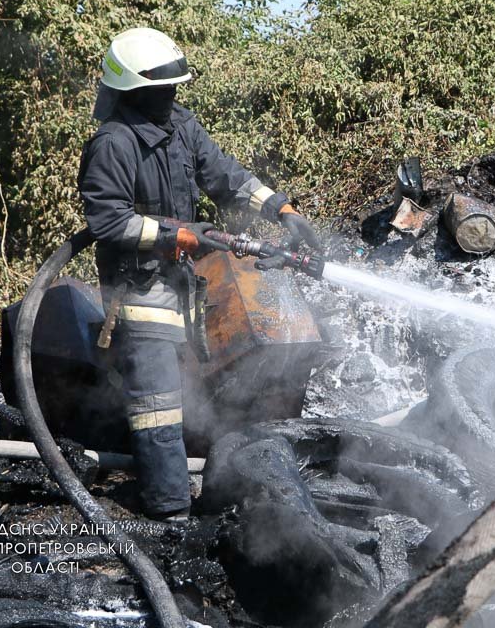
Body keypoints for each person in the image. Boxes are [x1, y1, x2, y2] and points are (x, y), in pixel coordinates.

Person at [78, 27, 321, 521]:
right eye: (161, 90)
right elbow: (107, 219)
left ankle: (210, 490)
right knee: (159, 408)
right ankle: (170, 518)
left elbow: (226, 177)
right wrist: (178, 236)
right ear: (133, 90)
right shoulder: (113, 144)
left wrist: (283, 209)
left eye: (174, 88)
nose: (171, 96)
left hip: (182, 287)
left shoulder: (181, 127)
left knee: (208, 396)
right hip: (139, 293)